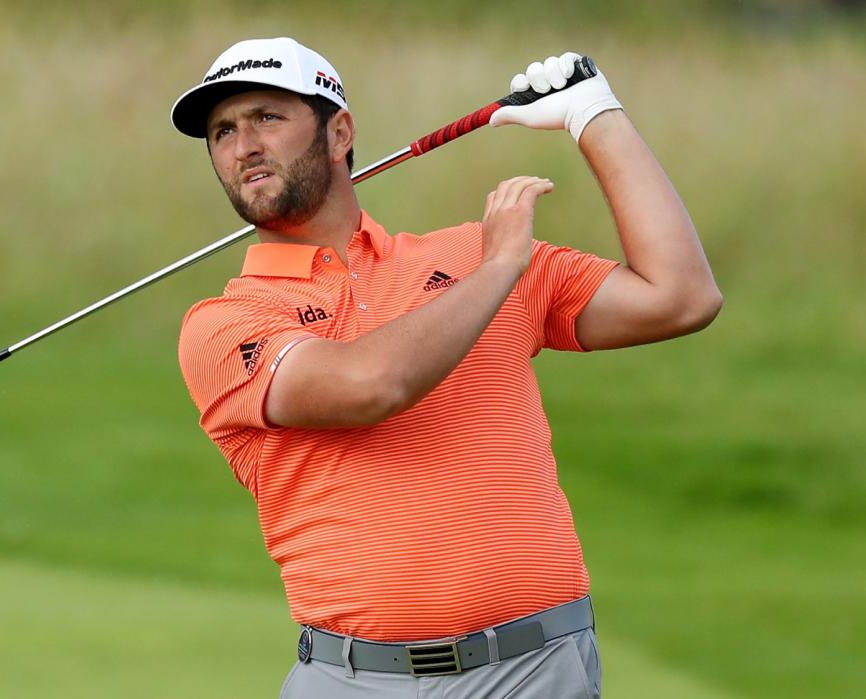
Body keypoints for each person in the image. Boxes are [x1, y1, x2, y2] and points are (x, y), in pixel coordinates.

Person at [171, 37, 721, 698]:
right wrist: (497, 269)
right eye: (222, 132)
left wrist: (596, 117)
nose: (244, 146)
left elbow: (683, 296)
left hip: (538, 670)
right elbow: (372, 384)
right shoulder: (224, 323)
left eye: (267, 117)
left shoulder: (471, 254)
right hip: (355, 682)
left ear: (339, 132)